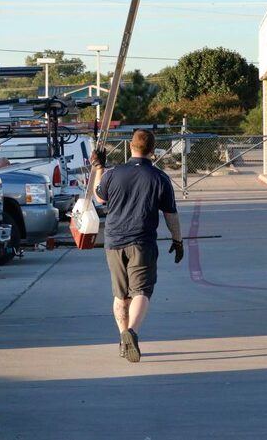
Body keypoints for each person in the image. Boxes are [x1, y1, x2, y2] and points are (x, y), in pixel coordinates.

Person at [90, 129, 183, 363]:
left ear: (130, 147)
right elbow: (171, 213)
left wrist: (98, 168)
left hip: (113, 242)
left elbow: (99, 197)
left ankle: (123, 338)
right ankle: (132, 332)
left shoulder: (113, 174)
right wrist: (177, 239)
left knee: (120, 296)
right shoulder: (159, 178)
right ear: (153, 151)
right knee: (141, 291)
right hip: (142, 242)